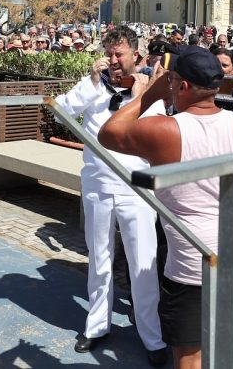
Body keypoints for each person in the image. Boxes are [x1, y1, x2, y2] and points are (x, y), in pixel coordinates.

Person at [99, 46, 233, 369]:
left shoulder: (164, 129)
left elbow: (109, 133)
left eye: (173, 81)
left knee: (190, 357)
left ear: (182, 85)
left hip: (194, 261)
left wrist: (150, 94)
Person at [54, 26, 168, 366]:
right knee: (99, 258)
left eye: (120, 54)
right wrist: (91, 82)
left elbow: (157, 132)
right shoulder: (93, 86)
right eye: (109, 54)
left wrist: (143, 95)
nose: (114, 60)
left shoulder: (148, 89)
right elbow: (60, 111)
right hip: (98, 186)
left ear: (136, 54)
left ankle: (151, 335)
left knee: (143, 262)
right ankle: (97, 324)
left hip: (136, 188)